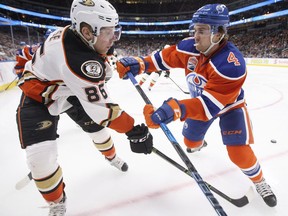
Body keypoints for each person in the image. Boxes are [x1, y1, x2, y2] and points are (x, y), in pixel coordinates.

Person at [116, 4, 277, 208]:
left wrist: (174, 110)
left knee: (238, 152)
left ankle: (260, 181)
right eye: (194, 30)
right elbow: (163, 58)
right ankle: (199, 144)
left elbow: (208, 107)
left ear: (218, 33)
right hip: (199, 101)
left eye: (201, 31)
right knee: (190, 142)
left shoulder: (232, 64)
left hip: (229, 107)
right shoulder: (189, 46)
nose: (195, 36)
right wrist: (140, 64)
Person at [16, 0, 153, 215]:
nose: (114, 39)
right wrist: (134, 131)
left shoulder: (76, 36)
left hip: (68, 90)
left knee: (98, 132)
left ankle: (112, 158)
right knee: (40, 160)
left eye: (115, 32)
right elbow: (103, 110)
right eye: (109, 33)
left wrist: (107, 62)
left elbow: (28, 53)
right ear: (87, 31)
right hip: (39, 97)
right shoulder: (79, 61)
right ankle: (57, 201)